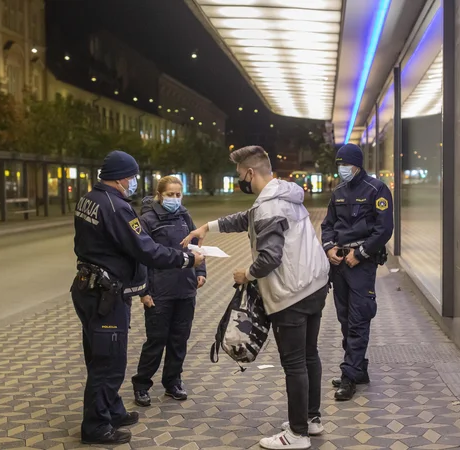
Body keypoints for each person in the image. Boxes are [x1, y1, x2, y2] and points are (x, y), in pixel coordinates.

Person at [183, 145, 330, 450]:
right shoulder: (284, 195)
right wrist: (207, 227)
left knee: (294, 364)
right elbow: (245, 219)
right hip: (314, 285)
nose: (240, 180)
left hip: (291, 294)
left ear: (250, 173)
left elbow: (269, 258)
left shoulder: (268, 207)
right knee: (309, 356)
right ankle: (312, 420)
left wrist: (245, 275)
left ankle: (297, 435)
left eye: (240, 175)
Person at [71, 150, 204, 445]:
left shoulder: (89, 198)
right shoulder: (117, 207)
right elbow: (146, 250)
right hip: (105, 295)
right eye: (131, 177)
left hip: (89, 288)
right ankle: (96, 427)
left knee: (100, 355)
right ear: (121, 177)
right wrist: (185, 259)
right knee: (108, 362)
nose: (133, 182)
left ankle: (112, 410)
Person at [321, 143, 393, 402]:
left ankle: (349, 376)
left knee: (359, 318)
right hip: (339, 263)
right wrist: (329, 247)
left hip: (361, 264)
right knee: (345, 319)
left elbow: (384, 229)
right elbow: (327, 224)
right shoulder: (338, 191)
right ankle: (358, 369)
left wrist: (360, 253)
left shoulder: (377, 189)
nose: (341, 170)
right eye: (339, 165)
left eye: (345, 165)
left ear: (357, 165)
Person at [131, 176, 206, 407]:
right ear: (159, 194)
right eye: (170, 194)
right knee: (156, 341)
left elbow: (195, 245)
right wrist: (144, 291)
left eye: (178, 194)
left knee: (179, 340)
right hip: (159, 291)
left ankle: (173, 381)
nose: (175, 199)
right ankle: (142, 384)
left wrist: (200, 270)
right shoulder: (146, 220)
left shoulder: (184, 215)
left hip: (185, 289)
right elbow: (140, 258)